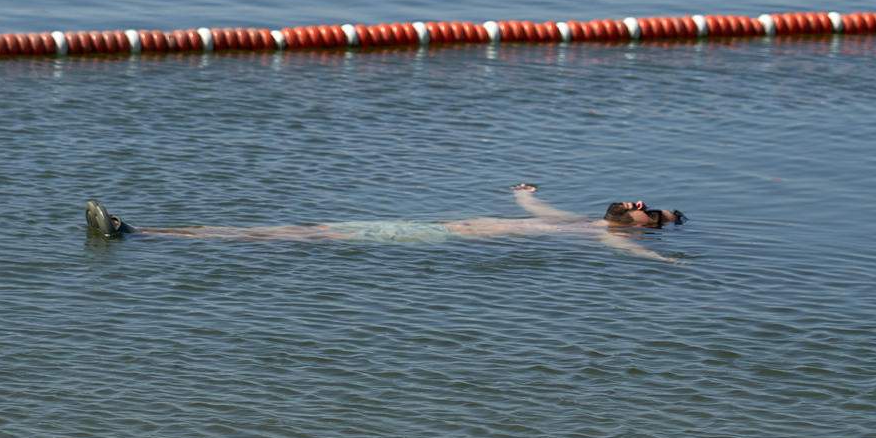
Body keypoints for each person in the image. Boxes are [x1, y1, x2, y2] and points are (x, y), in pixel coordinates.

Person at [85, 185, 685, 261]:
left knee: (295, 235)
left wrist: (667, 260)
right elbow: (532, 209)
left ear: (644, 225)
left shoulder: (602, 236)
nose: (635, 201)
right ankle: (144, 234)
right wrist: (525, 195)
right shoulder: (580, 219)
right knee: (302, 230)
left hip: (434, 236)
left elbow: (642, 258)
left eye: (647, 207)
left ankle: (141, 235)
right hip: (426, 222)